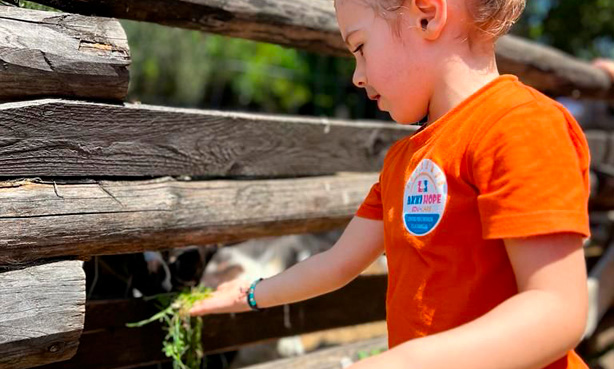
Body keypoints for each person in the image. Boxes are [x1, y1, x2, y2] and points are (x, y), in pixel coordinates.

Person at [191, 1, 596, 368]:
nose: (357, 77)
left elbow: (556, 310)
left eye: (361, 47)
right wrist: (250, 293)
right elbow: (336, 264)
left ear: (427, 14)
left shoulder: (522, 126)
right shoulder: (402, 161)